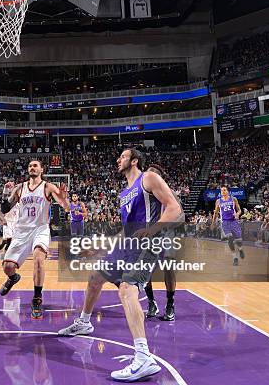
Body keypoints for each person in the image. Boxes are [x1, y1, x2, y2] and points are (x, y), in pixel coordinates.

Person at [57, 148, 183, 382]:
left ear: (134, 161)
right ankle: (84, 323)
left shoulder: (149, 178)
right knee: (95, 277)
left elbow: (175, 210)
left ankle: (144, 357)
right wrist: (100, 247)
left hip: (148, 244)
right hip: (127, 244)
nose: (118, 159)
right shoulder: (125, 192)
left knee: (127, 289)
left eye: (123, 156)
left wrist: (153, 229)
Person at [0, 160, 69, 319]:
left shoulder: (48, 187)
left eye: (35, 165)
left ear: (41, 169)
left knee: (38, 259)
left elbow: (65, 206)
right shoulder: (19, 188)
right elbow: (5, 209)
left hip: (40, 228)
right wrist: (4, 193)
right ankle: (13, 278)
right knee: (8, 267)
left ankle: (37, 298)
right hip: (21, 231)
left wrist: (64, 198)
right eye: (30, 165)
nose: (32, 167)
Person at [143, 164, 181, 321]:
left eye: (152, 175)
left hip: (166, 235)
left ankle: (170, 304)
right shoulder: (142, 194)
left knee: (169, 269)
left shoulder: (169, 194)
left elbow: (180, 215)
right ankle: (151, 302)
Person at [211, 186, 245, 266]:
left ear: (228, 191)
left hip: (234, 221)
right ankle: (235, 258)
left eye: (224, 190)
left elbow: (240, 210)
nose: (223, 191)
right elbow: (215, 213)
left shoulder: (233, 199)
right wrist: (213, 222)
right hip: (225, 222)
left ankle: (240, 249)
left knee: (238, 240)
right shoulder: (218, 201)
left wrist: (237, 214)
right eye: (221, 190)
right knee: (230, 238)